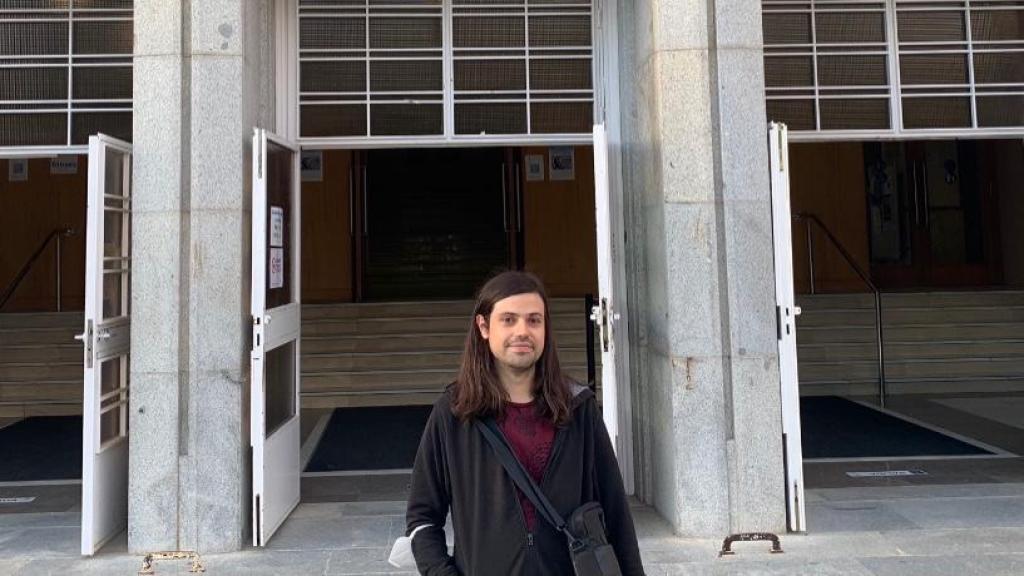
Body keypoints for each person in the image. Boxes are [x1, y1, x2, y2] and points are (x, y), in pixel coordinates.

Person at [405, 271, 645, 575]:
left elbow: (616, 514)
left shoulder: (578, 408)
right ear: (483, 327)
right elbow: (422, 517)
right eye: (508, 320)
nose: (523, 331)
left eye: (534, 320)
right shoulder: (455, 412)